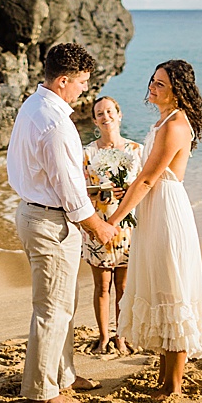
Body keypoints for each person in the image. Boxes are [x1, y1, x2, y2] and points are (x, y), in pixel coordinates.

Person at [6, 42, 119, 403]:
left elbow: (48, 175)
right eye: (82, 82)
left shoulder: (33, 104)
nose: (85, 89)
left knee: (63, 305)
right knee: (52, 309)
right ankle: (40, 392)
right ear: (63, 80)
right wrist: (97, 226)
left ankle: (64, 375)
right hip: (48, 221)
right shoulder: (56, 124)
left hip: (35, 212)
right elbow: (68, 189)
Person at [107, 59, 202, 397]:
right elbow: (144, 177)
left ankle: (173, 384)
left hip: (167, 209)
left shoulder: (174, 125)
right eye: (153, 81)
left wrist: (113, 220)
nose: (152, 88)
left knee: (172, 288)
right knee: (158, 286)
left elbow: (149, 178)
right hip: (154, 208)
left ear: (176, 91)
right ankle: (163, 375)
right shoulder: (163, 121)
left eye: (160, 84)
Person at [81, 95, 143, 356]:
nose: (105, 117)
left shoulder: (136, 150)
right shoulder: (87, 152)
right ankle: (104, 335)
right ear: (95, 120)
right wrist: (99, 194)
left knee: (124, 287)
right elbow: (79, 191)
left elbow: (145, 186)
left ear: (119, 115)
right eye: (100, 113)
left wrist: (126, 193)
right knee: (102, 286)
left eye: (109, 111)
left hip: (128, 227)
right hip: (98, 224)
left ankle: (121, 335)